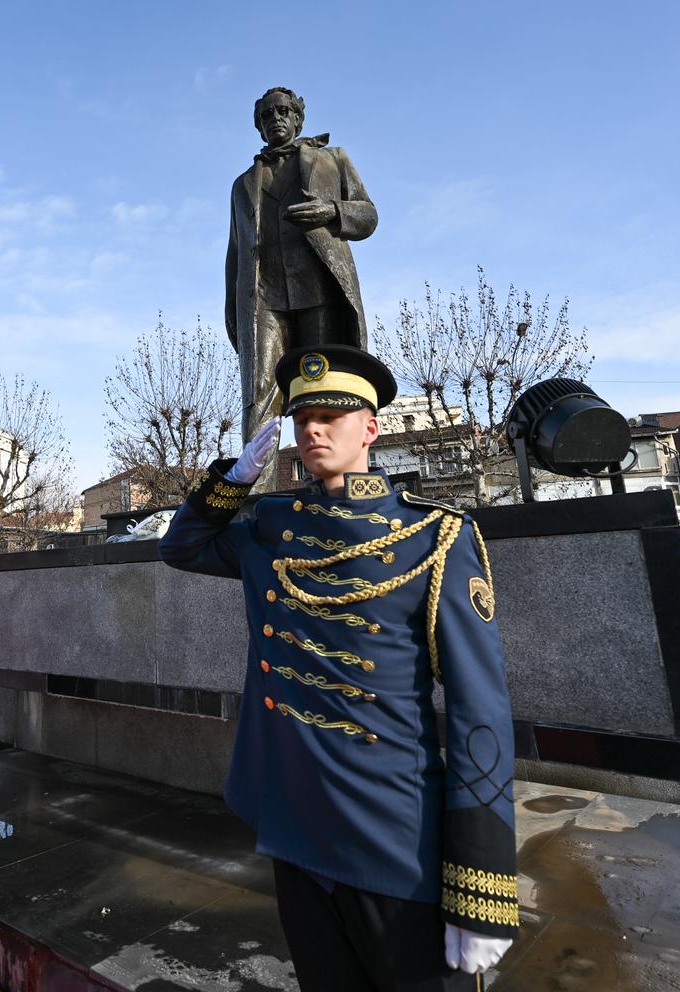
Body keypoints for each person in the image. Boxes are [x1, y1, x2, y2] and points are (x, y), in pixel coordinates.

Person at [160, 345, 518, 991]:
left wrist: (481, 882)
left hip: (392, 838)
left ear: (371, 428)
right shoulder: (271, 528)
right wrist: (232, 480)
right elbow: (181, 547)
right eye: (303, 419)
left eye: (332, 415)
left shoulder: (435, 536)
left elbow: (479, 711)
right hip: (296, 826)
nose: (313, 430)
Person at [226, 86, 377, 489]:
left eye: (283, 111)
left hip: (319, 287)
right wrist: (234, 315)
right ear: (259, 126)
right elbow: (235, 253)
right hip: (263, 297)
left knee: (321, 388)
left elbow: (367, 216)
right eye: (267, 115)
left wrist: (331, 212)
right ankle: (254, 497)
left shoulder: (332, 159)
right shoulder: (243, 184)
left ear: (297, 118)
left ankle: (335, 487)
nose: (275, 118)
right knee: (260, 397)